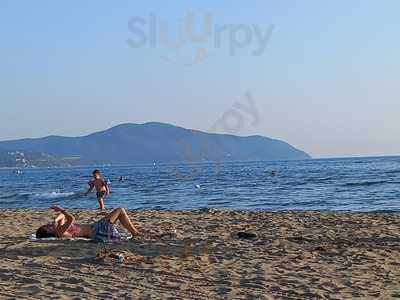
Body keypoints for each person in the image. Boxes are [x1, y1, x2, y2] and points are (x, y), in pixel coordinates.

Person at [36, 205, 141, 242]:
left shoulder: (59, 228)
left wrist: (56, 219)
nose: (48, 225)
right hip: (97, 230)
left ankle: (134, 232)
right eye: (47, 227)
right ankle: (135, 233)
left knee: (119, 212)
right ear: (49, 231)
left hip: (95, 228)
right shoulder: (59, 232)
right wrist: (61, 210)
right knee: (120, 210)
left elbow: (63, 217)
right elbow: (71, 218)